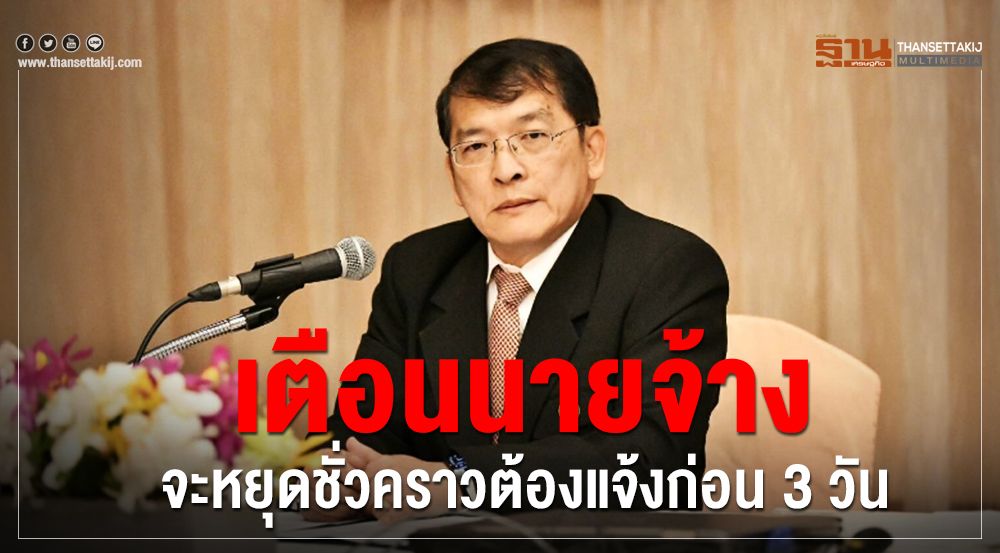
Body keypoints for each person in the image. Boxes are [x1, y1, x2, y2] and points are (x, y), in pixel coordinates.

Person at [307, 38, 728, 523]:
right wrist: (339, 480)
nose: (506, 170)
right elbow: (360, 431)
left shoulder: (667, 268)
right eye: (475, 147)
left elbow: (653, 456)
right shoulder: (417, 268)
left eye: (533, 136)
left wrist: (459, 482)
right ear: (452, 175)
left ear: (592, 151)